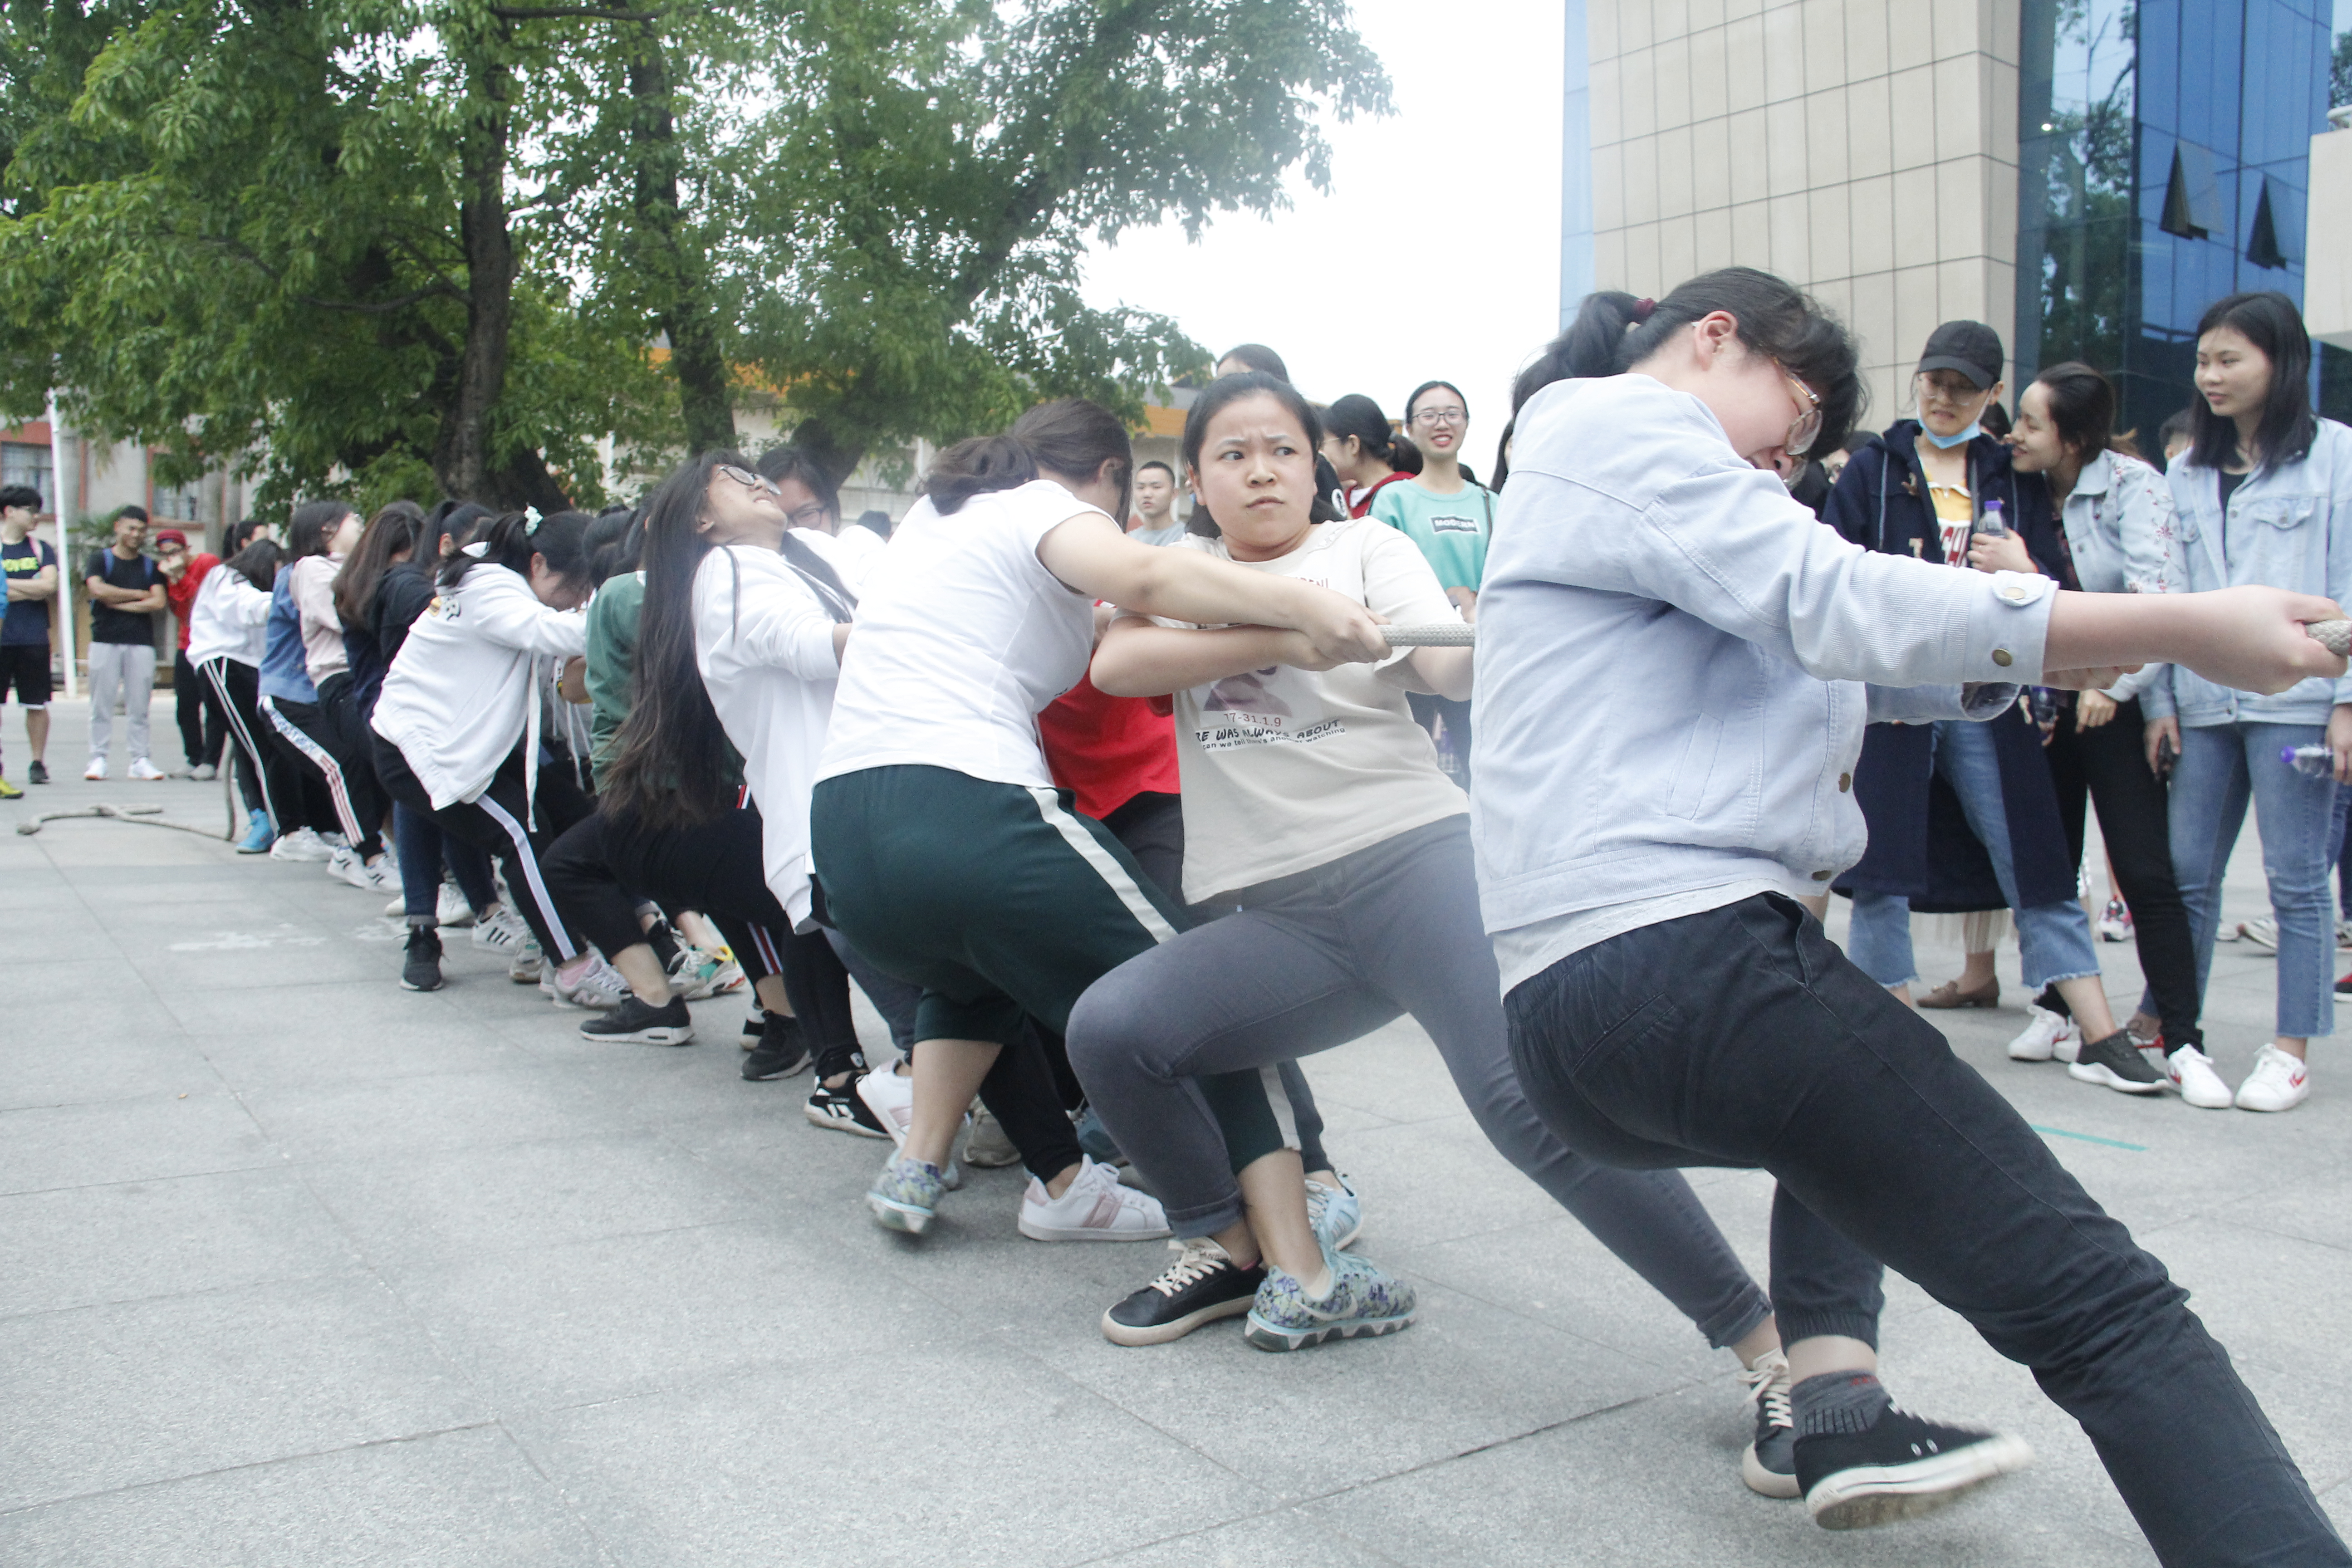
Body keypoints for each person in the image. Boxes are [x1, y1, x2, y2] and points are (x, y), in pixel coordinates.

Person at [1478, 267, 2349, 1554]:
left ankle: (1836, 1407)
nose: (1797, 450)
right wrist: (2185, 625)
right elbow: (1835, 602)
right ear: (1716, 338)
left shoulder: (1634, 491)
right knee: (2109, 1311)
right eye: (1800, 404)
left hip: (1590, 1019)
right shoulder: (1619, 423)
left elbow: (1827, 660)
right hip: (1685, 959)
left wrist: (2057, 647)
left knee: (1845, 1115)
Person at [1068, 370, 1804, 1481]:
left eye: (1280, 447)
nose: (1259, 469)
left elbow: (1444, 665)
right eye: (1231, 453)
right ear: (1201, 478)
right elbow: (1118, 661)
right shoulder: (1182, 574)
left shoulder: (1364, 550)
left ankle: (1771, 1354)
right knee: (1114, 1026)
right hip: (1280, 918)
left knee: (1526, 1104)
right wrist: (1288, 627)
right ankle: (1224, 1243)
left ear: (1317, 461)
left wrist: (1474, 634)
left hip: (1415, 859)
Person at [808, 396, 1391, 1243]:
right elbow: (1145, 578)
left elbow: (1080, 621)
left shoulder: (932, 530)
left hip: (847, 841)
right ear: (1110, 479)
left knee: (968, 978)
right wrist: (1299, 609)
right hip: (964, 805)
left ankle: (918, 1166)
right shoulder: (1043, 505)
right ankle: (1279, 1231)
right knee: (1193, 995)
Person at [1824, 322, 2154, 1090]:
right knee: (1880, 865)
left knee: (2032, 852)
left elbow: (2051, 585)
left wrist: (2024, 570)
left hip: (1988, 692)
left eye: (1962, 386)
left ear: (1991, 395)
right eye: (1933, 380)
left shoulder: (2009, 474)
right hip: (1894, 690)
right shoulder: (1874, 467)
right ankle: (1893, 1027)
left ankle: (2097, 1028)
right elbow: (1832, 570)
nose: (1942, 397)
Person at [1995, 362, 2226, 1104]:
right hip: (2041, 704)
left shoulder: (2133, 487)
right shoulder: (2019, 486)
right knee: (2050, 865)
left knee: (2144, 871)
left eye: (2031, 422)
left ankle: (2182, 1039)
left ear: (2075, 435)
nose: (2015, 434)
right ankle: (2057, 1007)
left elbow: (2158, 602)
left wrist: (2112, 687)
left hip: (2113, 703)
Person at [2147, 290, 2352, 1114]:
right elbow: (2162, 594)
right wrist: (2158, 700)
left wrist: (2344, 703)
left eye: (2228, 358)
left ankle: (2290, 1049)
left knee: (2295, 880)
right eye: (2202, 360)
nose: (2210, 375)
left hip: (2295, 703)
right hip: (2201, 704)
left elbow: (2343, 587)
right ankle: (2180, 1035)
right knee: (2186, 876)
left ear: (2280, 361)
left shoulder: (2334, 454)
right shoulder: (2184, 468)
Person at [371, 510, 598, 980]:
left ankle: (615, 935)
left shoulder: (487, 581)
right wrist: (631, 608)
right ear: (537, 564)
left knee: (575, 815)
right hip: (419, 749)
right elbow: (552, 633)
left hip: (454, 743)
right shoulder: (491, 588)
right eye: (574, 591)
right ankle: (574, 968)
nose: (574, 603)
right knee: (521, 834)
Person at [355, 502, 513, 989]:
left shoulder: (427, 585)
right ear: (445, 547)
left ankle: (478, 912)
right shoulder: (410, 587)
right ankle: (425, 931)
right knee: (424, 808)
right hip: (407, 727)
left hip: (443, 724)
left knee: (449, 810)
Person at [266, 500, 394, 891]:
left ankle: (372, 848)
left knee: (374, 764)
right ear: (326, 531)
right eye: (354, 520)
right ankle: (364, 853)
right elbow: (343, 618)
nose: (361, 525)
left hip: (329, 694)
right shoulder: (307, 571)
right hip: (291, 695)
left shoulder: (347, 569)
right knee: (343, 765)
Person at [1373, 381, 1495, 780]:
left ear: (1466, 423)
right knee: (1408, 771)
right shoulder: (1394, 500)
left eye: (1452, 413)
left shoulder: (1491, 503)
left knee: (1487, 767)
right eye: (1429, 415)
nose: (1441, 423)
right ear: (1409, 428)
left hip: (1479, 656)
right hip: (1414, 657)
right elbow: (1377, 577)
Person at [189, 538, 293, 852]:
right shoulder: (226, 578)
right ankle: (277, 825)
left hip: (252, 670)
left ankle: (266, 817)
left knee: (255, 745)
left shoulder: (253, 589)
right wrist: (293, 599)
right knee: (258, 748)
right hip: (226, 666)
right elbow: (249, 607)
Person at [82, 505, 167, 781]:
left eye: (142, 530)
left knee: (140, 704)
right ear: (118, 527)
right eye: (131, 528)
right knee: (101, 703)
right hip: (105, 639)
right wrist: (137, 595)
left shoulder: (149, 566)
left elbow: (158, 601)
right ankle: (98, 758)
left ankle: (140, 759)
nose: (136, 534)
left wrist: (117, 603)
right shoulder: (100, 560)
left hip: (141, 642)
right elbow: (97, 589)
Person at [153, 528, 226, 780]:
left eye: (176, 552)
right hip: (187, 643)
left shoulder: (207, 563)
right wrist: (174, 580)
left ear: (187, 550)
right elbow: (182, 613)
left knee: (214, 704)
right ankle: (193, 756)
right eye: (166, 555)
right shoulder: (168, 574)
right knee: (185, 704)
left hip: (212, 644)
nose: (172, 558)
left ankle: (210, 760)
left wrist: (182, 577)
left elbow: (202, 602)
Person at [0, 484, 57, 793]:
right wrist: (28, 585)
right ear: (9, 511)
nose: (36, 516)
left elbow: (49, 587)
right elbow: (37, 586)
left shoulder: (41, 549)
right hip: (2, 637)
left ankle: (38, 762)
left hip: (34, 637)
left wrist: (6, 586)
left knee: (36, 703)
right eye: (30, 510)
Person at [1317, 393, 1419, 517]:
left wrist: (1331, 486)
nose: (1319, 454)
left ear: (1353, 444)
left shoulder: (1405, 493)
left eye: (1322, 445)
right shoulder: (1349, 497)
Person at [1127, 460, 1186, 544]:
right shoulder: (1129, 539)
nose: (1147, 494)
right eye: (1141, 488)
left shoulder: (1185, 537)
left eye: (1156, 487)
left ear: (1174, 493)